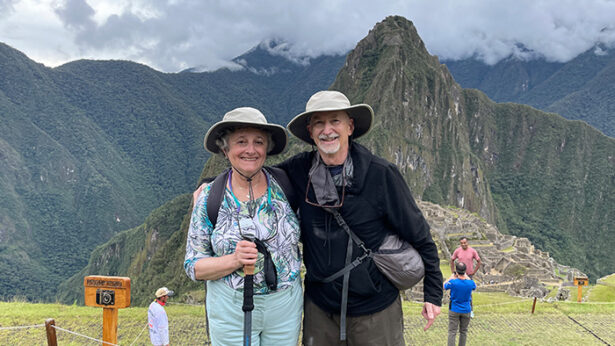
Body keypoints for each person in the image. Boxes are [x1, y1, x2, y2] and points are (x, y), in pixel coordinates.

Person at [278, 90, 443, 345]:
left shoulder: (380, 174)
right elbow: (256, 177)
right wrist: (213, 183)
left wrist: (433, 293)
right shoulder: (299, 170)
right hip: (320, 308)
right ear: (310, 131)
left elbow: (419, 234)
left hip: (375, 308)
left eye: (335, 121)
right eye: (319, 123)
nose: (327, 130)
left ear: (350, 126)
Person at [184, 107, 303, 346]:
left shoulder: (287, 186)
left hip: (284, 308)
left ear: (267, 149)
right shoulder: (210, 198)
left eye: (258, 142)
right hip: (230, 308)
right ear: (225, 149)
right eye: (241, 142)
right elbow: (193, 266)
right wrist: (233, 261)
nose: (251, 150)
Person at [444, 262, 476, 346]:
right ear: (465, 271)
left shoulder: (453, 282)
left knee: (452, 332)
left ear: (456, 271)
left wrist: (451, 277)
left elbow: (444, 286)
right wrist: (466, 275)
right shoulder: (470, 283)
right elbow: (474, 286)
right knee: (463, 331)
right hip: (466, 309)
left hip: (454, 309)